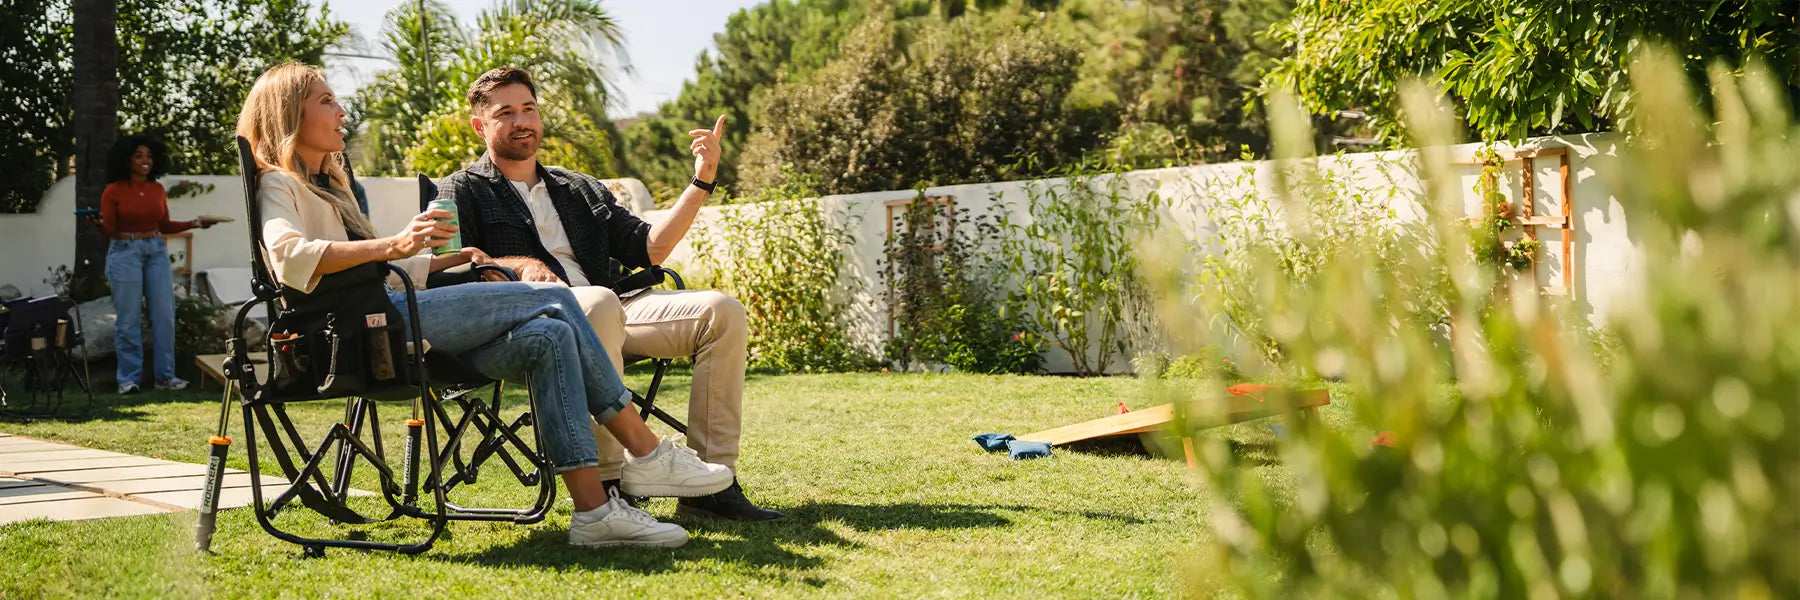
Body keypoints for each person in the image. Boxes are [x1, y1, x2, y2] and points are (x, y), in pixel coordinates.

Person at [238, 63, 732, 548]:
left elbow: (380, 269)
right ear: (288, 115)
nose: (342, 110)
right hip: (361, 329)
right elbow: (290, 259)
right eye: (327, 101)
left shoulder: (331, 184)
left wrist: (446, 258)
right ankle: (647, 452)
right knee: (558, 297)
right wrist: (395, 245)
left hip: (388, 309)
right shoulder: (278, 183)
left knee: (551, 334)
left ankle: (595, 513)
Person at [439, 67, 779, 521]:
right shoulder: (460, 189)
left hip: (617, 307)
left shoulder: (576, 186)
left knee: (721, 311)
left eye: (529, 109)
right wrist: (522, 266)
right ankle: (610, 484)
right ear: (480, 126)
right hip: (535, 324)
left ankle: (710, 486)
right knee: (596, 303)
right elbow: (453, 265)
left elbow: (650, 246)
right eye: (506, 113)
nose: (522, 120)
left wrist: (703, 179)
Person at [92, 134, 218, 394]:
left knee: (164, 315)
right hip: (125, 251)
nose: (145, 161)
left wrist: (194, 224)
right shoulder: (113, 191)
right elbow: (110, 229)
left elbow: (164, 225)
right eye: (138, 156)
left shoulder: (157, 190)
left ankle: (166, 378)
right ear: (126, 159)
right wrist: (98, 225)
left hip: (155, 251)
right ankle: (128, 380)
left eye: (149, 156)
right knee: (128, 319)